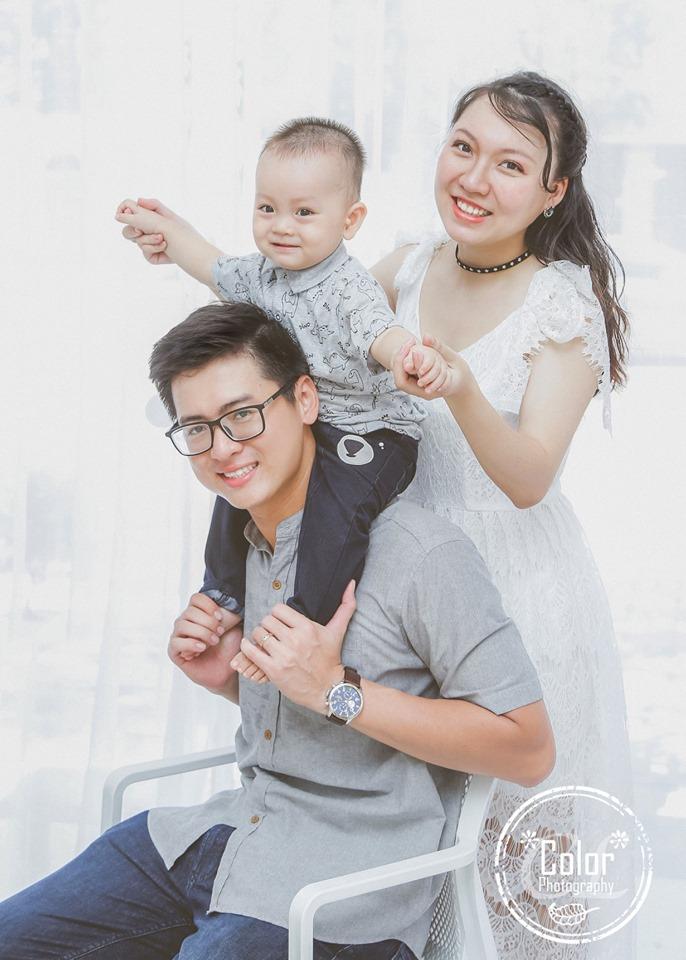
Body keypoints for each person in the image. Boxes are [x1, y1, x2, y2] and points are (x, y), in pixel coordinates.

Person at [0, 302, 554, 960]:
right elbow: (299, 703)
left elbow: (529, 751)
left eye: (243, 414)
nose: (222, 448)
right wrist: (228, 679)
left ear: (306, 400)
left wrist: (337, 689)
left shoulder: (419, 552)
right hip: (219, 835)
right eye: (197, 428)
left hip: (340, 891)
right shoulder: (239, 546)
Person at [368, 71, 634, 959]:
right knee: (418, 853)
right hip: (409, 587)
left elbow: (529, 478)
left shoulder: (561, 303)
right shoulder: (408, 265)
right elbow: (306, 317)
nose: (474, 178)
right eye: (463, 147)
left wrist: (464, 388)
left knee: (526, 867)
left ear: (554, 190)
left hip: (520, 592)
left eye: (511, 164)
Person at [115, 116, 451, 643]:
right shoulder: (260, 275)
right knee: (234, 474)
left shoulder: (347, 288)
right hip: (308, 421)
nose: (282, 226)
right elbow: (208, 263)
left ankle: (301, 621)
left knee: (335, 515)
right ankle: (224, 590)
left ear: (350, 220)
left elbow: (380, 334)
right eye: (267, 208)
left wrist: (408, 357)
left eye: (304, 212)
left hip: (374, 431)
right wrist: (164, 229)